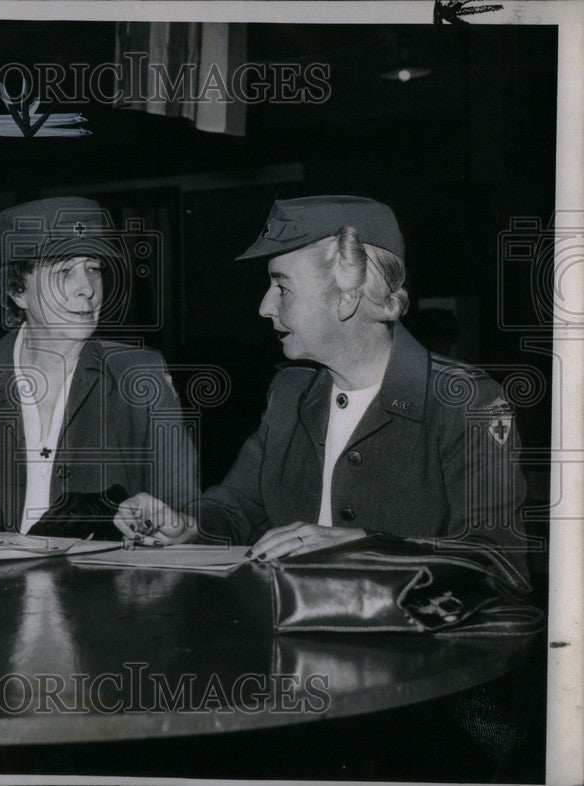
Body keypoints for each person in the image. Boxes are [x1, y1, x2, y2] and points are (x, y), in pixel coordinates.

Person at [113, 196, 529, 578]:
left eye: (282, 287)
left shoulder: (463, 401)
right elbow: (236, 507)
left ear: (347, 298)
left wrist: (365, 545)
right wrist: (188, 526)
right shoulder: (290, 392)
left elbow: (499, 561)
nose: (264, 306)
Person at [0, 196, 197, 535]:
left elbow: (185, 516)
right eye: (64, 271)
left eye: (94, 268)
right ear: (18, 290)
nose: (87, 289)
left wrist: (120, 514)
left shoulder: (140, 377)